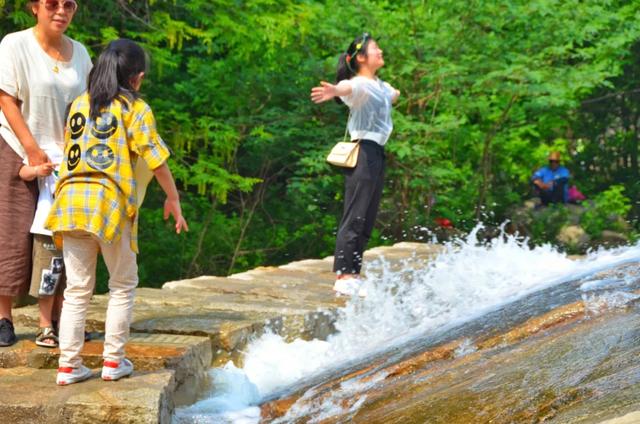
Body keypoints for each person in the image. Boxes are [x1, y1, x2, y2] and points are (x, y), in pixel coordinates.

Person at [46, 39, 188, 385]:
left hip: (69, 202)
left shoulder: (79, 104)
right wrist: (173, 199)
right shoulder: (134, 108)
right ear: (137, 78)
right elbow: (156, 159)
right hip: (108, 203)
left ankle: (68, 366)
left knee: (77, 289)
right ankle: (113, 362)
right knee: (122, 284)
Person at [0, 0, 91, 347]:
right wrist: (31, 148)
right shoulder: (14, 43)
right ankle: (4, 318)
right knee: (11, 232)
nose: (61, 11)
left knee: (62, 235)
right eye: (52, 3)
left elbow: (86, 105)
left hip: (65, 156)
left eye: (69, 5)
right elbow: (5, 98)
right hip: (15, 145)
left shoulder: (80, 53)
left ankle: (58, 318)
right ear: (35, 7)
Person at [311, 33, 400, 297]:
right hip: (362, 152)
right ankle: (343, 274)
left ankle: (355, 274)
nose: (381, 51)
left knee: (368, 215)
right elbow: (347, 89)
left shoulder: (380, 86)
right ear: (361, 58)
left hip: (377, 153)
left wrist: (394, 92)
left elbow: (393, 94)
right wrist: (335, 90)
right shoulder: (359, 84)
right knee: (355, 214)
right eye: (376, 49)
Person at [19, 144, 66, 348]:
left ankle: (66, 324)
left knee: (70, 281)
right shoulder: (48, 148)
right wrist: (38, 170)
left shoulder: (87, 148)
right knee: (48, 278)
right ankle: (44, 324)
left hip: (76, 227)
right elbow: (23, 171)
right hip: (47, 227)